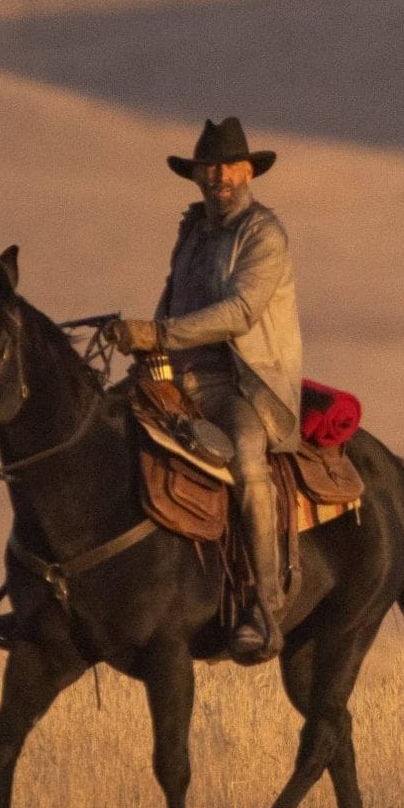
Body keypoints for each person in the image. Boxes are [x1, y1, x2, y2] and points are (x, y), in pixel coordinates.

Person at [102, 118, 303, 664]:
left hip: (241, 384)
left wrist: (159, 333)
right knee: (102, 427)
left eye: (226, 167)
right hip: (178, 377)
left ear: (247, 170)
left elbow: (240, 313)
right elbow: (174, 296)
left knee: (245, 460)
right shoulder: (192, 230)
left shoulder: (264, 234)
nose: (216, 177)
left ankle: (266, 604)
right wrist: (144, 342)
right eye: (206, 168)